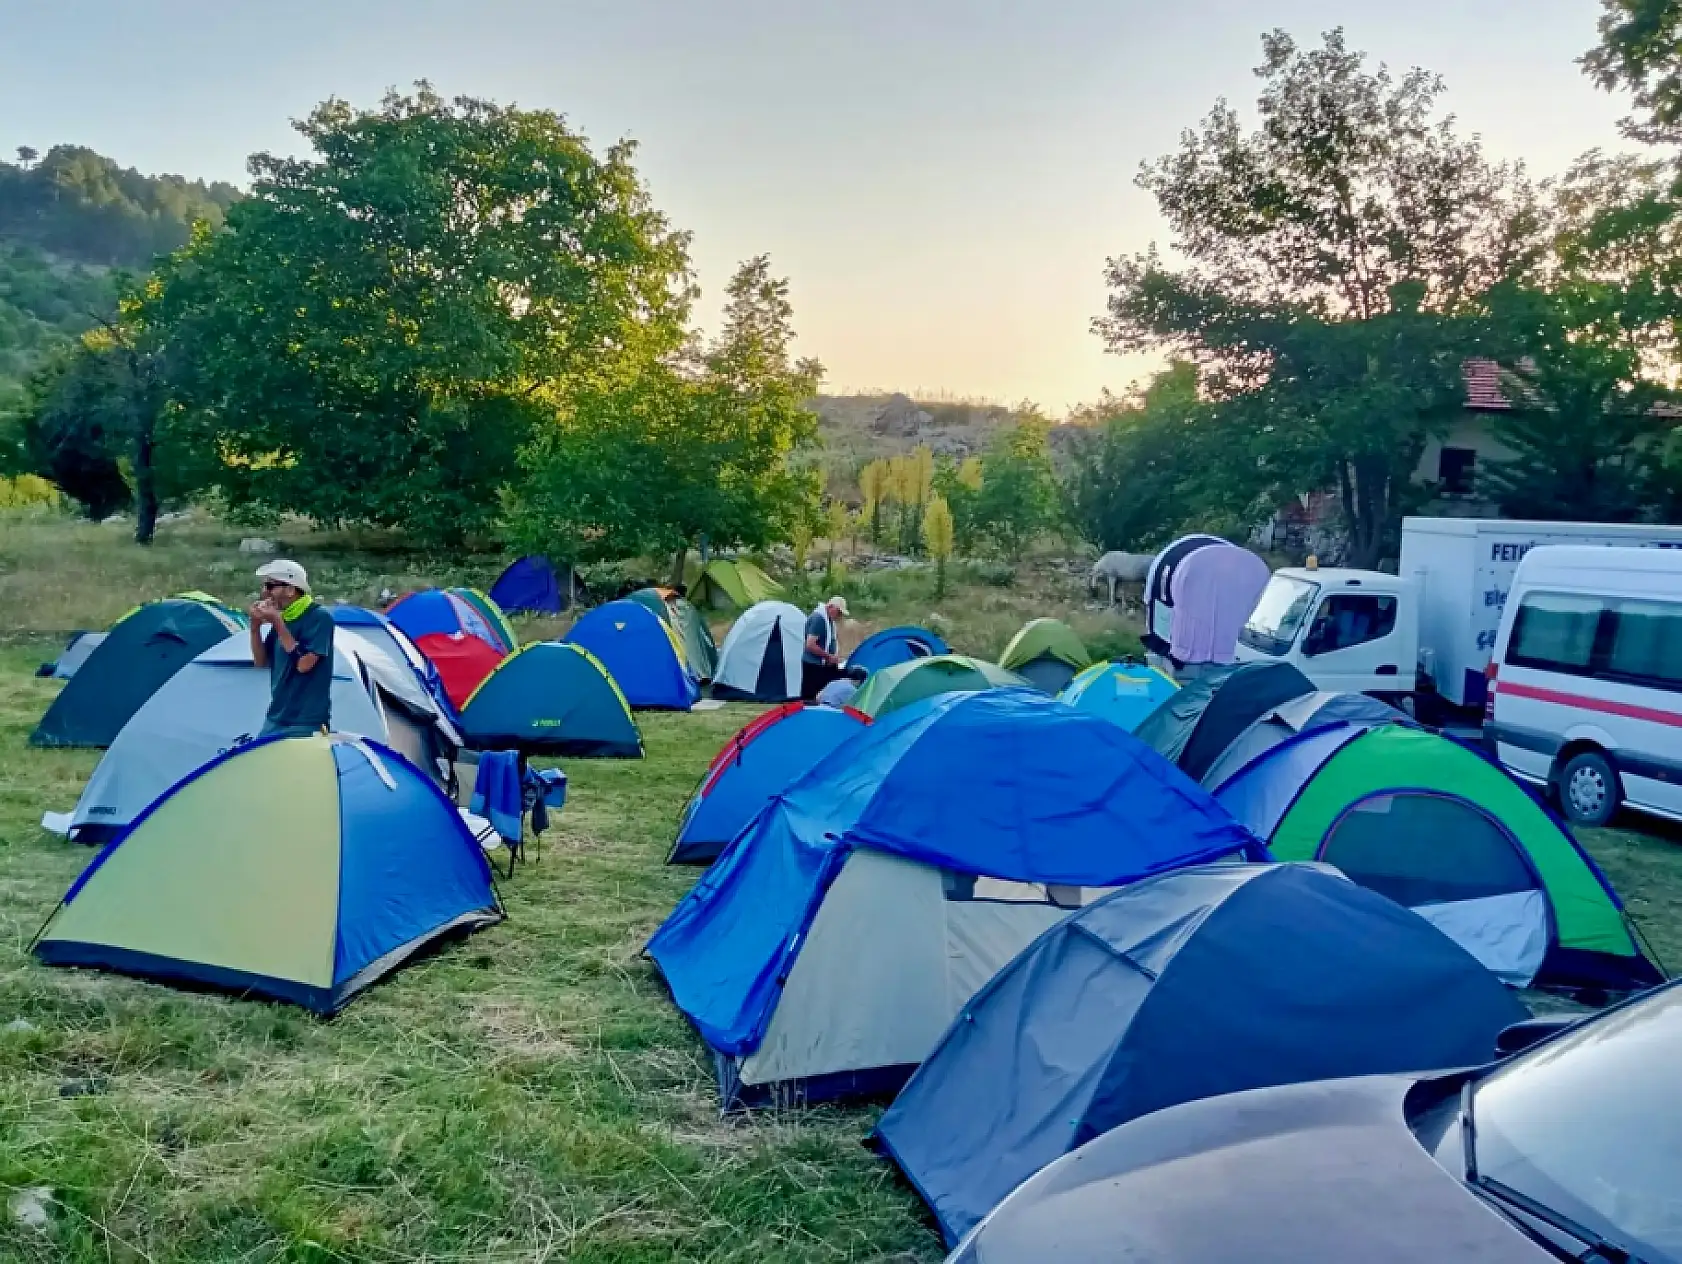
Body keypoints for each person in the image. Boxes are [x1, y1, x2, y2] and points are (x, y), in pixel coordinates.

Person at [248, 560, 336, 738]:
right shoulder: (284, 617)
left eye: (271, 586)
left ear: (290, 589)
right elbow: (261, 662)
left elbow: (304, 664)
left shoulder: (319, 617)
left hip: (306, 721)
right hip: (277, 716)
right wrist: (255, 627)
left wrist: (277, 622)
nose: (265, 592)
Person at [800, 594, 850, 701]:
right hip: (813, 665)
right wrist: (828, 657)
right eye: (839, 612)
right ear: (831, 607)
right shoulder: (819, 619)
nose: (839, 615)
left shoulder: (828, 620)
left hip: (822, 665)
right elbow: (810, 644)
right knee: (811, 698)